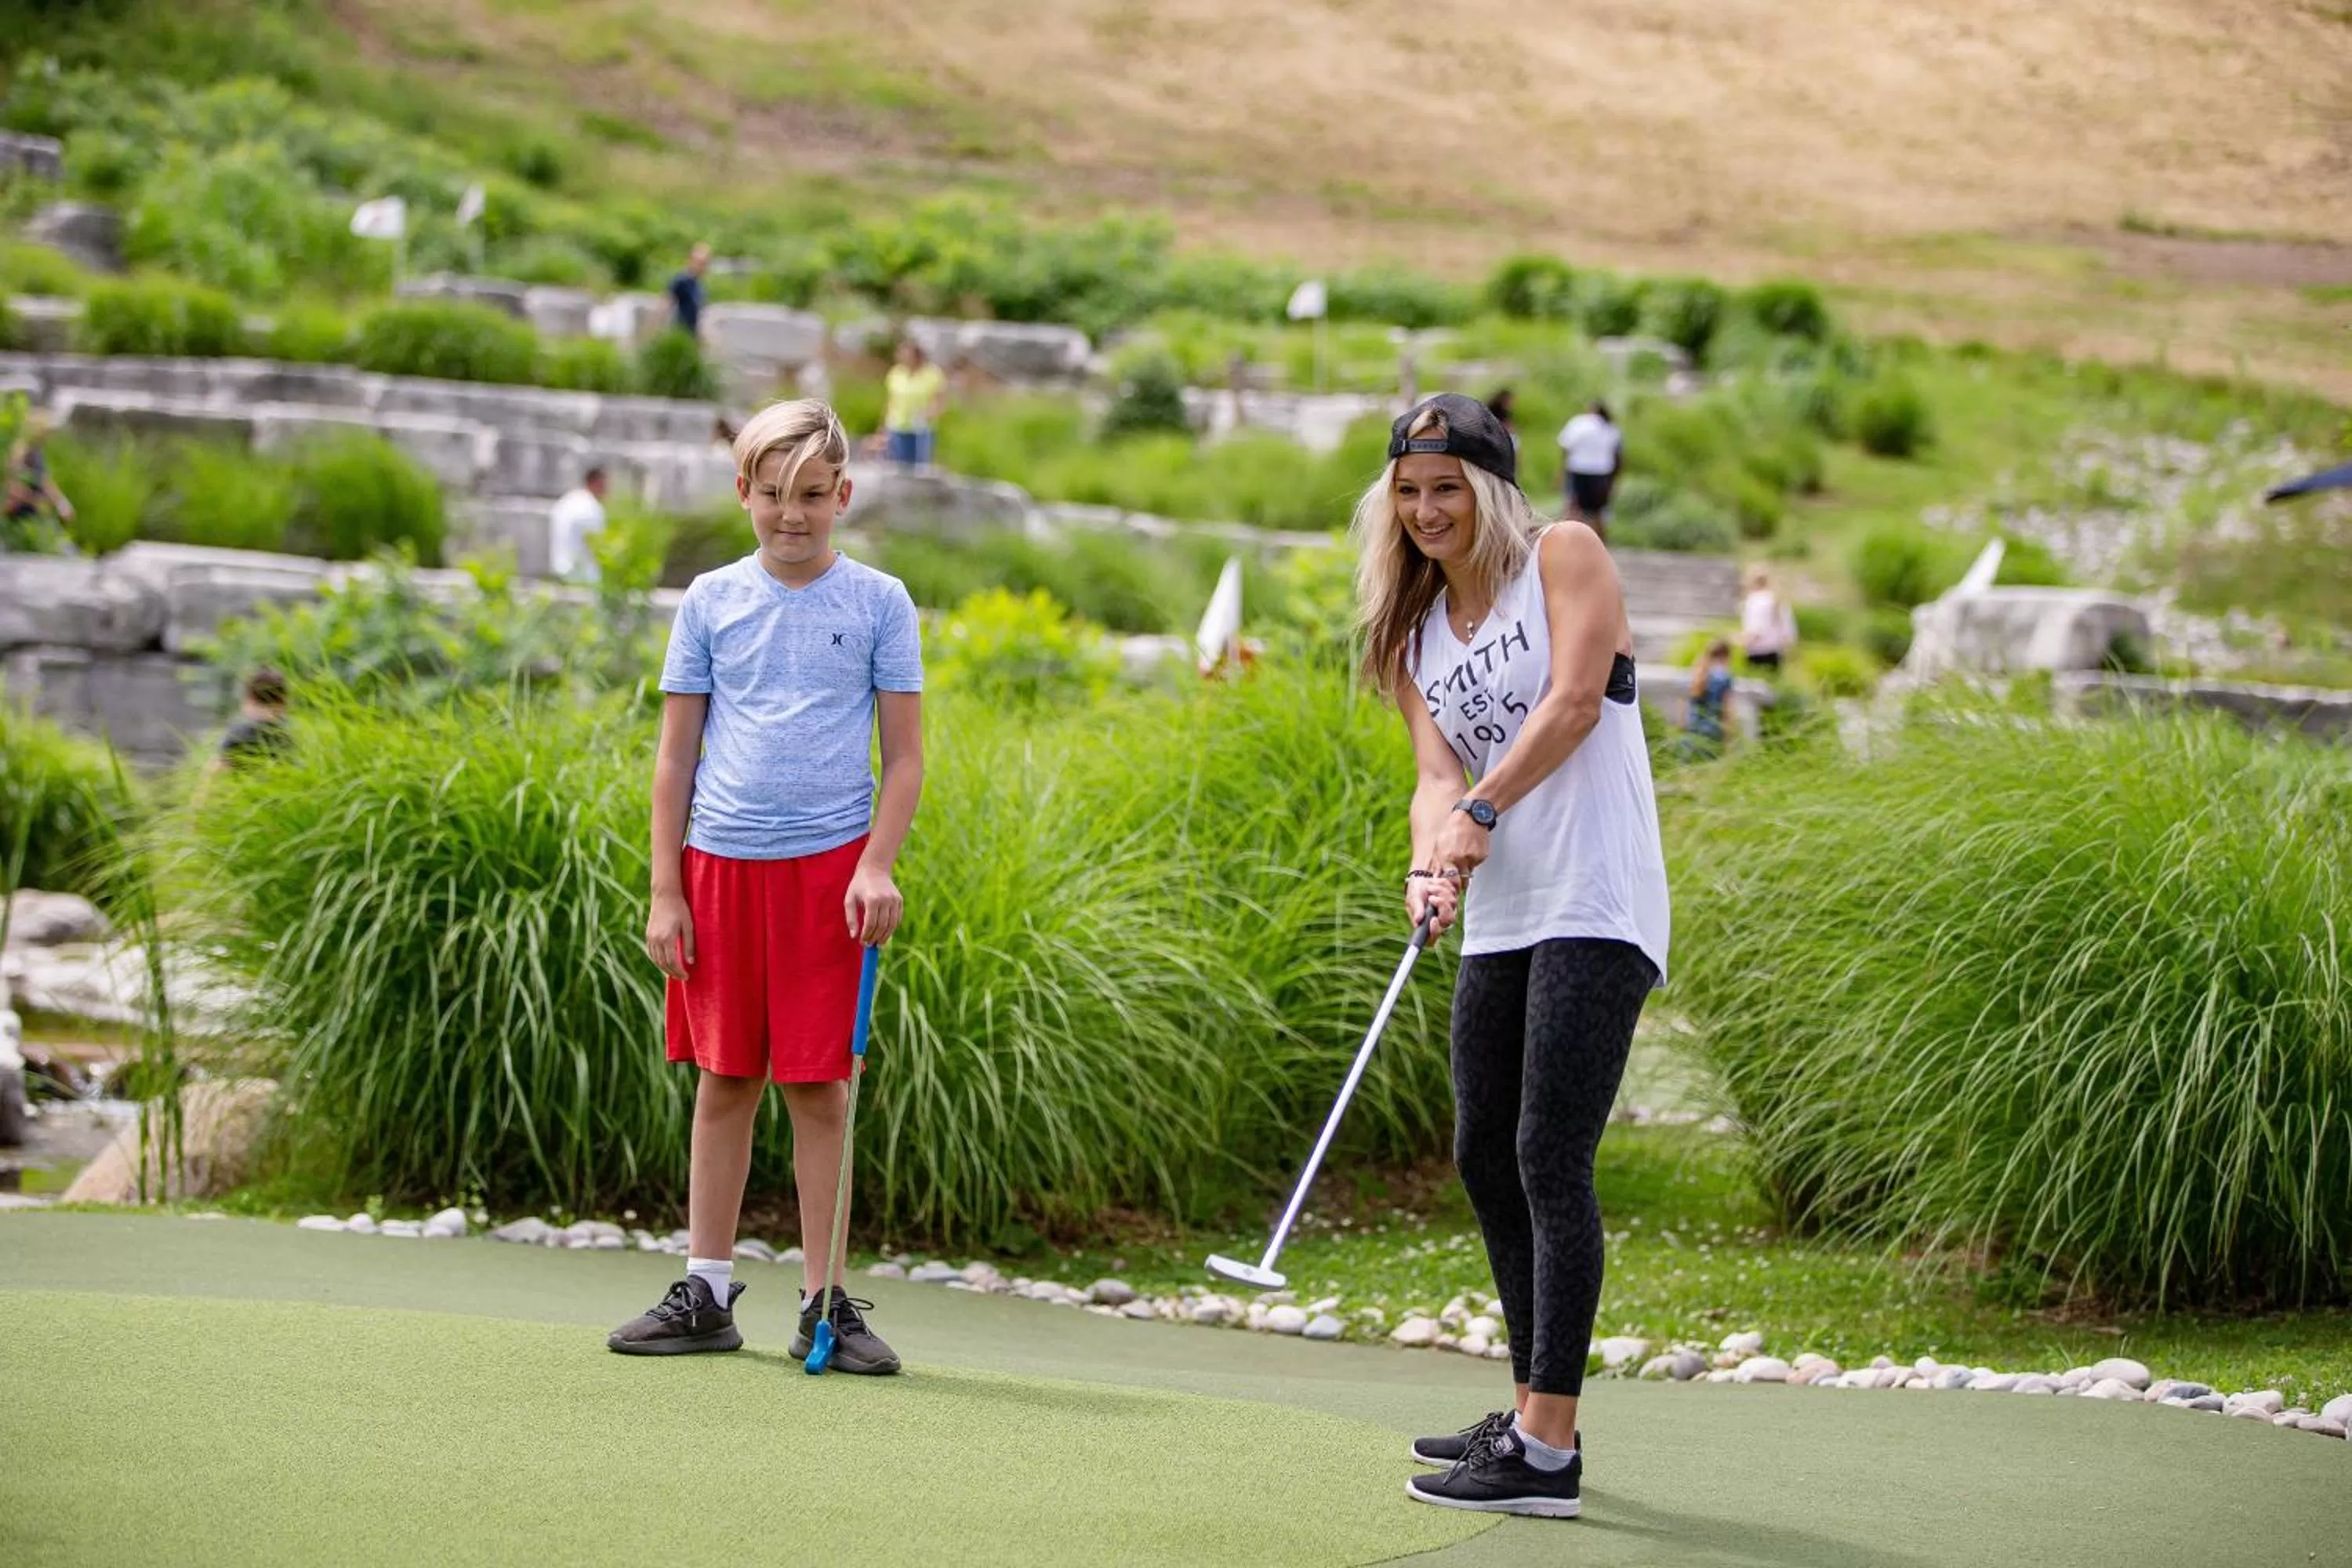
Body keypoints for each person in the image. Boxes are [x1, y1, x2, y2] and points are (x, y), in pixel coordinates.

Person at [1357, 392, 1668, 1520]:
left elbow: (1578, 702)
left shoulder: (1567, 557)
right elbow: (1436, 778)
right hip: (1503, 911)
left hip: (1596, 895)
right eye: (1409, 492)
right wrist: (1426, 862)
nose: (1428, 510)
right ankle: (1530, 1410)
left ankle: (1547, 1451)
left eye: (1448, 489)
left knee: (1548, 1151)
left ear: (1490, 490)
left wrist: (1483, 804)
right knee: (1484, 1148)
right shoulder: (1413, 633)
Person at [608, 398, 925, 1371]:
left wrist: (876, 862)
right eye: (776, 495)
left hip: (830, 872)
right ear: (744, 492)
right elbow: (675, 757)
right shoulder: (708, 599)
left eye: (815, 497)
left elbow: (905, 758)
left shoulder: (880, 601)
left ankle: (824, 1303)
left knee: (821, 1088)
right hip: (719, 867)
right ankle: (704, 1291)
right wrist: (666, 891)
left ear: (845, 495)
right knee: (725, 1079)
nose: (794, 515)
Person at [5, 411, 75, 549]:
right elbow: (12, 489)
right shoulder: (19, 453)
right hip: (19, 517)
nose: (49, 436)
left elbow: (45, 481)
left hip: (35, 515)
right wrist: (36, 501)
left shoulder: (37, 453)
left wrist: (62, 503)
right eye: (47, 432)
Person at [1555, 401, 1622, 540]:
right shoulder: (1611, 428)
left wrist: (1561, 472)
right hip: (1602, 473)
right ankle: (1601, 545)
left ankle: (1564, 541)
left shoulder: (1578, 423)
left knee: (1572, 508)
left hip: (1578, 469)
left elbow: (1566, 447)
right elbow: (1618, 456)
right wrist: (1615, 479)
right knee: (1598, 513)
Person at [211, 668, 292, 774]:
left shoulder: (238, 732)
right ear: (283, 700)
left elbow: (217, 769)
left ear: (249, 698)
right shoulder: (289, 733)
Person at [880, 339, 946, 468]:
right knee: (897, 464)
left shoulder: (932, 374)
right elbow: (891, 400)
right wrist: (883, 427)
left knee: (919, 465)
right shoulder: (896, 373)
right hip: (897, 425)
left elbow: (939, 400)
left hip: (921, 427)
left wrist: (930, 413)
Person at [546, 466, 608, 583]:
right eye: (603, 485)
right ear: (594, 483)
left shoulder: (567, 500)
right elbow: (597, 545)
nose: (606, 490)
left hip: (559, 567)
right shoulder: (592, 508)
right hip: (582, 574)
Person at [1682, 638, 1735, 758]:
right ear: (1726, 656)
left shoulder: (1696, 673)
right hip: (1714, 731)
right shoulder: (1724, 677)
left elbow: (1685, 705)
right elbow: (1727, 710)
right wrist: (1729, 736)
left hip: (1693, 731)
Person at [1739, 564, 1797, 672]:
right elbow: (1788, 631)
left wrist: (1739, 641)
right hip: (1775, 651)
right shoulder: (1777, 599)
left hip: (1756, 651)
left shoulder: (1754, 600)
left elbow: (1755, 630)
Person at [668, 242, 712, 341]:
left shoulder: (700, 285)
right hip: (680, 334)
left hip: (693, 335)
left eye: (704, 263)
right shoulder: (682, 281)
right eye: (699, 263)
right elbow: (666, 303)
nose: (701, 267)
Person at [1484, 388, 1519, 457]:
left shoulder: (1506, 411)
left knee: (1515, 440)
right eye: (1510, 400)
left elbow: (1509, 423)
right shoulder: (1492, 408)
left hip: (1502, 435)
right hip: (1492, 435)